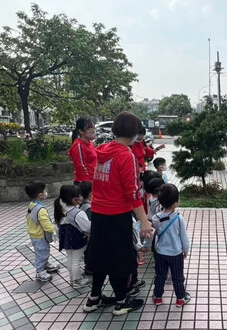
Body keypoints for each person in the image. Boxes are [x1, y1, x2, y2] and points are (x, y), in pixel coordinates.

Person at [83, 111, 153, 316]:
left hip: (98, 213)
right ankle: (122, 302)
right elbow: (132, 194)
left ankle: (93, 299)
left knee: (100, 256)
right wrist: (144, 220)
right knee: (121, 259)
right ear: (133, 133)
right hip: (117, 215)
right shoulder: (126, 155)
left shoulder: (102, 150)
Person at [151, 184, 191, 308]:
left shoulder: (155, 218)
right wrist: (186, 249)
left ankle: (158, 297)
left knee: (160, 275)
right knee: (177, 276)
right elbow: (183, 236)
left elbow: (155, 234)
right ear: (175, 203)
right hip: (175, 253)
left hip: (160, 253)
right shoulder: (178, 218)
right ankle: (180, 298)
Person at [54, 185, 92, 289]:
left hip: (66, 240)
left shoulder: (62, 210)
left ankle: (72, 278)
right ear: (74, 200)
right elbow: (87, 227)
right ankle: (77, 281)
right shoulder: (78, 213)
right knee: (76, 260)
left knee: (71, 259)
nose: (81, 197)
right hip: (77, 241)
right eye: (79, 195)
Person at [24, 181, 59, 282]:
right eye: (45, 191)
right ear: (40, 195)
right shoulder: (41, 209)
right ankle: (40, 272)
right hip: (40, 236)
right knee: (42, 253)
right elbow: (46, 224)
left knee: (41, 252)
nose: (46, 192)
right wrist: (54, 231)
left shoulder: (32, 204)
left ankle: (45, 265)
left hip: (34, 234)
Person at [69, 118, 97, 184]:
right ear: (81, 131)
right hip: (84, 182)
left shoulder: (91, 143)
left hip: (93, 180)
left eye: (93, 128)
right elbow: (81, 166)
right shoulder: (79, 145)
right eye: (89, 128)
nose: (93, 131)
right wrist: (88, 184)